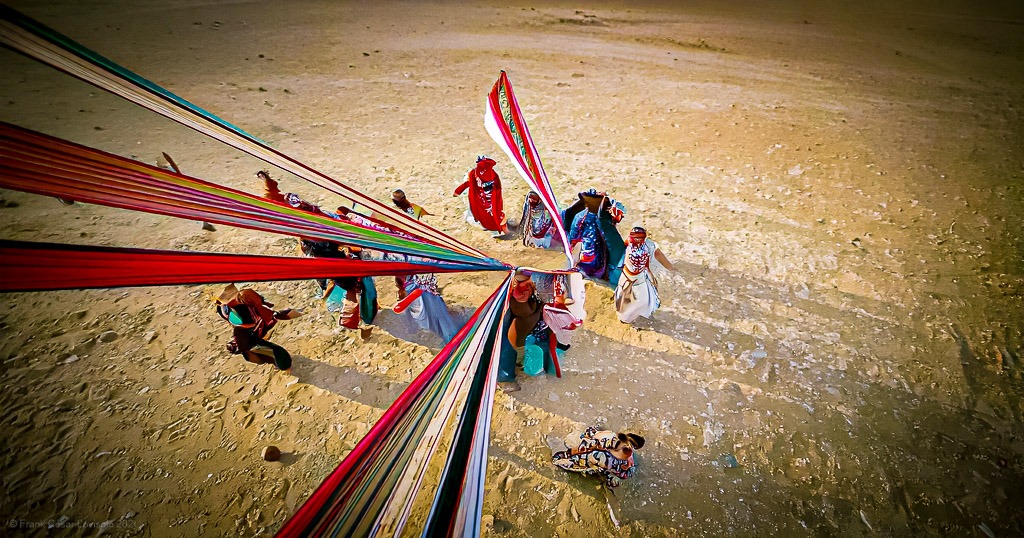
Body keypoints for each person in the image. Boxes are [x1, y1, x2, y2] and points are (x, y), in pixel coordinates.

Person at [215, 284, 301, 373]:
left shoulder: (225, 309)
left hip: (249, 333)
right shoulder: (243, 311)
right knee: (279, 354)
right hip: (248, 338)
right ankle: (285, 367)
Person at [563, 189, 626, 284]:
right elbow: (573, 238)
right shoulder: (583, 217)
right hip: (588, 255)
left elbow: (573, 237)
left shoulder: (602, 216)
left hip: (597, 253)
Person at [614, 226, 675, 324]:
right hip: (639, 278)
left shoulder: (629, 241)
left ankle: (624, 317)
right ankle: (630, 316)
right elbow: (657, 256)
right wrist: (672, 269)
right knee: (642, 300)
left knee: (623, 296)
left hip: (626, 276)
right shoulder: (648, 245)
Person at [552, 427, 645, 488]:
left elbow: (625, 472)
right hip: (600, 457)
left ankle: (576, 460)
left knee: (598, 457)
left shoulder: (624, 461)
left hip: (602, 461)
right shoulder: (608, 439)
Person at [497, 272, 544, 392]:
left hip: (524, 345)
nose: (527, 287)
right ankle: (508, 377)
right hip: (518, 350)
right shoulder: (518, 303)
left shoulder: (531, 300)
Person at [453, 155, 508, 236]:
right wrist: (458, 191)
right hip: (481, 199)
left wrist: (458, 191)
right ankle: (498, 229)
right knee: (484, 214)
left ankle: (504, 230)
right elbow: (469, 183)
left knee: (496, 213)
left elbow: (497, 187)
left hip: (490, 198)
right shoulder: (475, 173)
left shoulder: (490, 174)